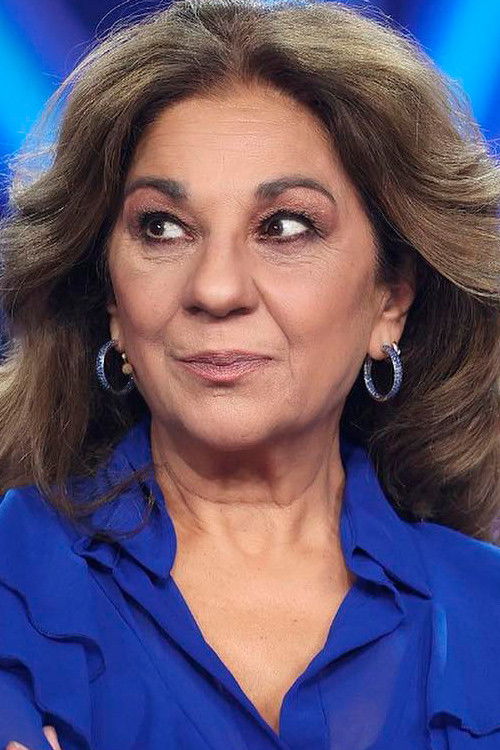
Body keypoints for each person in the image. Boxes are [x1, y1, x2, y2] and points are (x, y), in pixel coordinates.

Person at [0, 0, 499, 747]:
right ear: (111, 300)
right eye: (162, 227)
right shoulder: (13, 583)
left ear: (391, 298)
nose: (216, 288)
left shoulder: (487, 611)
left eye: (285, 227)